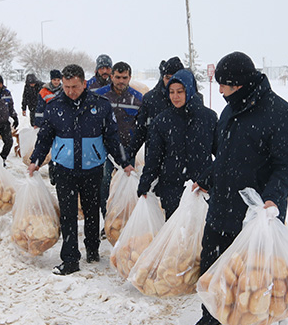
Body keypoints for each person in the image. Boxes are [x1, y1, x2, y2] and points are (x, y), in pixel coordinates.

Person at [190, 51, 288, 325]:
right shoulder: (230, 110)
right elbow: (225, 158)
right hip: (221, 206)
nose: (220, 90)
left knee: (254, 276)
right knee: (212, 265)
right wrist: (207, 178)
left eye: (224, 85)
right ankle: (211, 312)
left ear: (239, 84)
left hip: (255, 214)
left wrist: (272, 199)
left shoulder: (281, 115)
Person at [28, 64, 134, 275]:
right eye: (66, 87)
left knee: (92, 210)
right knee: (68, 214)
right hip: (65, 168)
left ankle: (92, 249)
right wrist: (36, 159)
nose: (70, 91)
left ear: (84, 84)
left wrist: (124, 161)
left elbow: (111, 137)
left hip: (92, 167)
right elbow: (45, 136)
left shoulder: (100, 105)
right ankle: (69, 259)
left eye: (74, 87)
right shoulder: (55, 105)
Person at [137, 68, 216, 219]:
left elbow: (221, 153)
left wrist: (209, 178)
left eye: (180, 91)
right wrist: (145, 182)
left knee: (199, 237)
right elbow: (154, 156)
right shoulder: (162, 121)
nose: (175, 96)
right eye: (171, 92)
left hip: (201, 188)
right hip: (172, 187)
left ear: (190, 90)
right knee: (175, 238)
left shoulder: (208, 118)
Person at [93, 61, 143, 220]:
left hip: (128, 148)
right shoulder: (99, 95)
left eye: (124, 77)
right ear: (112, 77)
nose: (121, 81)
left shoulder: (137, 98)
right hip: (104, 149)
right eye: (117, 77)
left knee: (127, 184)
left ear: (130, 78)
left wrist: (134, 147)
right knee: (105, 184)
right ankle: (107, 219)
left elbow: (141, 126)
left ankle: (125, 220)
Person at [130, 57, 181, 158]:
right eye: (167, 77)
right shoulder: (150, 99)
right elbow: (141, 130)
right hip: (155, 158)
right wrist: (128, 155)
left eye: (174, 77)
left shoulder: (192, 100)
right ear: (162, 77)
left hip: (181, 159)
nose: (170, 81)